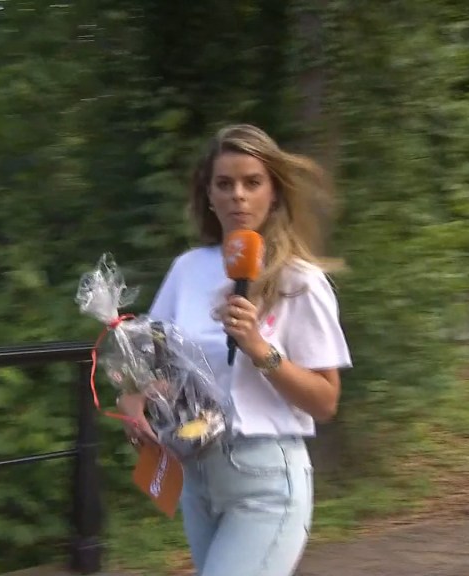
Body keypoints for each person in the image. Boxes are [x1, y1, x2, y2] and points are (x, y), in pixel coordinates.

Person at [117, 123, 352, 576]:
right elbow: (150, 361)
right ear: (208, 195)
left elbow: (325, 401)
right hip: (197, 474)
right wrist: (133, 398)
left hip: (265, 479)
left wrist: (259, 349)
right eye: (224, 184)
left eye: (252, 182)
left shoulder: (300, 281)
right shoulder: (187, 269)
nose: (238, 196)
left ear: (274, 193)